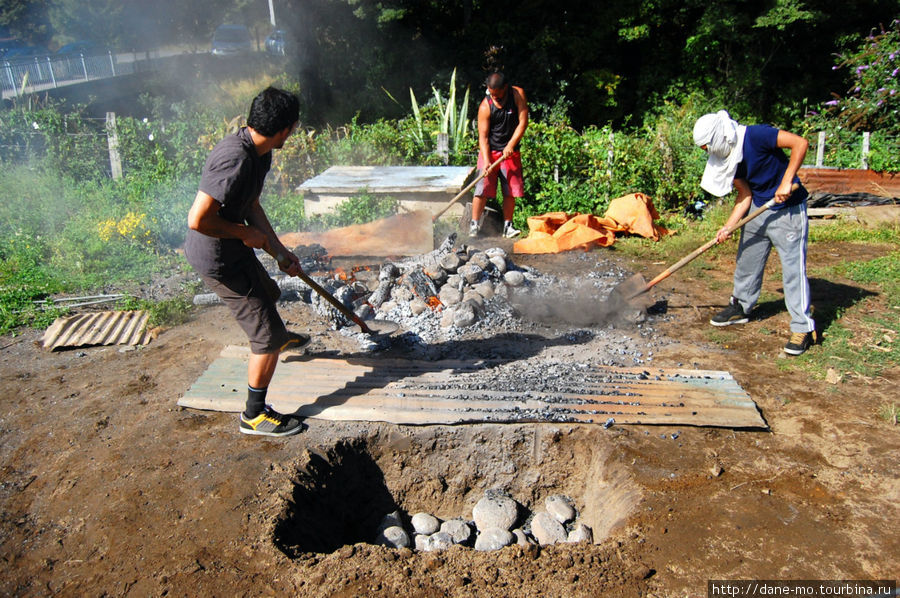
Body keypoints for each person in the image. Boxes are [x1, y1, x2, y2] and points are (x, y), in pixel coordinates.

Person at [185, 87, 308, 437]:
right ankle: (254, 415)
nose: (295, 131)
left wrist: (278, 251)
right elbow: (198, 219)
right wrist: (242, 234)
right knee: (267, 336)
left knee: (268, 292)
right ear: (284, 128)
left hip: (232, 247)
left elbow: (251, 206)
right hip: (217, 258)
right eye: (295, 126)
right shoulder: (234, 158)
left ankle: (278, 337)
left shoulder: (261, 151)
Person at [693, 110, 816, 356]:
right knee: (747, 259)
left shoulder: (756, 135)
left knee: (793, 270)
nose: (707, 152)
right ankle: (742, 306)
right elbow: (744, 195)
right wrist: (728, 226)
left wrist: (786, 180)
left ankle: (802, 327)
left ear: (717, 137)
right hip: (759, 207)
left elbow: (800, 143)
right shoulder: (729, 155)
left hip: (788, 209)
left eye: (707, 147)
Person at [470, 72, 529, 239]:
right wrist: (487, 161)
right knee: (482, 188)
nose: (493, 96)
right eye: (490, 93)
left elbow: (523, 122)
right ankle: (474, 224)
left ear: (505, 88)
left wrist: (511, 145)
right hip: (490, 151)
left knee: (510, 190)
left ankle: (508, 226)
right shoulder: (485, 106)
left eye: (496, 93)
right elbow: (483, 137)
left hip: (510, 152)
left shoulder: (517, 94)